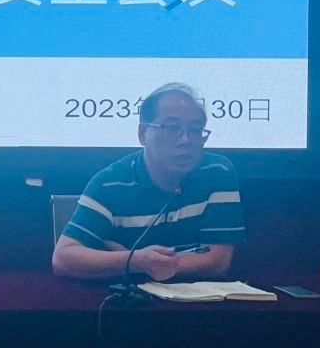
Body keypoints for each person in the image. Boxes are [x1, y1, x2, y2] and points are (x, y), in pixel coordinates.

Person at [51, 82, 246, 282]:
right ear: (143, 133)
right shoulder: (110, 183)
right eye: (172, 128)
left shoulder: (217, 172)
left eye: (195, 130)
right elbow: (63, 258)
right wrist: (136, 260)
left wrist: (142, 263)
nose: (185, 140)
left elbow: (217, 263)